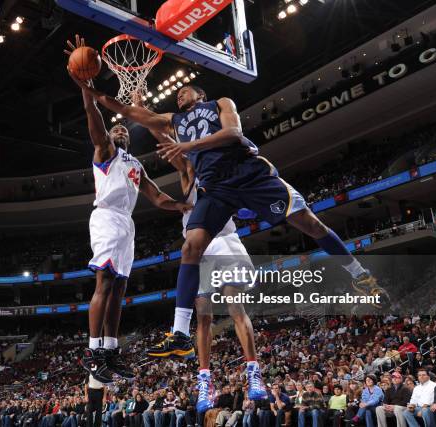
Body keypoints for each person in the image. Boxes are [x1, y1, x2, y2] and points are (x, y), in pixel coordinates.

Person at [70, 68, 382, 374]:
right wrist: (91, 90)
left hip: (247, 174)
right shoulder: (174, 125)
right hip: (215, 190)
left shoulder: (219, 104)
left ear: (200, 95)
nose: (180, 95)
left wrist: (188, 146)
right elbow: (132, 114)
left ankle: (359, 274)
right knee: (190, 250)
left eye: (185, 91)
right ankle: (179, 334)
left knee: (310, 224)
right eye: (177, 95)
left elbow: (233, 133)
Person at [65, 36, 190, 384]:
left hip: (127, 225)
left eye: (122, 128)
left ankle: (111, 349)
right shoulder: (105, 152)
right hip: (105, 217)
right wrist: (87, 88)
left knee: (119, 288)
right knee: (104, 282)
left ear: (129, 138)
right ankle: (93, 351)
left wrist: (183, 205)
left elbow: (157, 198)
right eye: (115, 126)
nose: (119, 128)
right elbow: (94, 116)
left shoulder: (135, 164)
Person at [146, 124, 265, 408]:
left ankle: (253, 373)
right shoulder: (190, 174)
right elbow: (168, 141)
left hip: (224, 241)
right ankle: (204, 381)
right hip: (199, 252)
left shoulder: (222, 177)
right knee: (203, 318)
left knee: (235, 306)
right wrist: (145, 115)